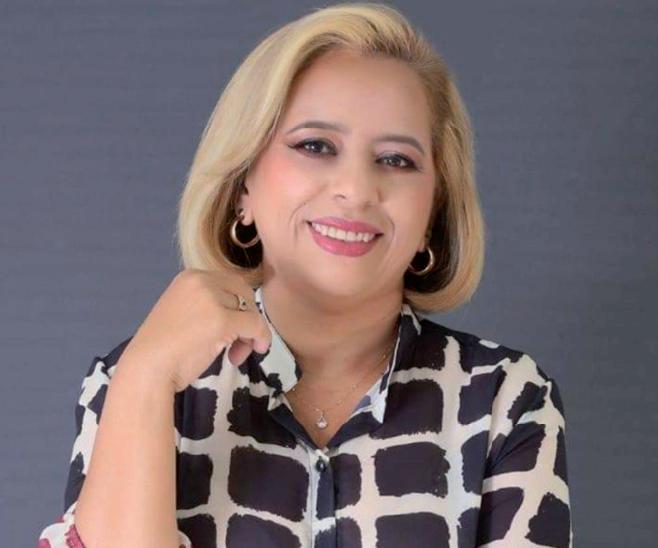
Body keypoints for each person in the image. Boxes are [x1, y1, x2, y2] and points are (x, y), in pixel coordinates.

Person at [38, 3, 573, 547]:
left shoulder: (504, 400)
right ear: (242, 184)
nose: (356, 190)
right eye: (315, 146)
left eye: (396, 159)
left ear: (433, 210)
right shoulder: (135, 383)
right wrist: (147, 376)